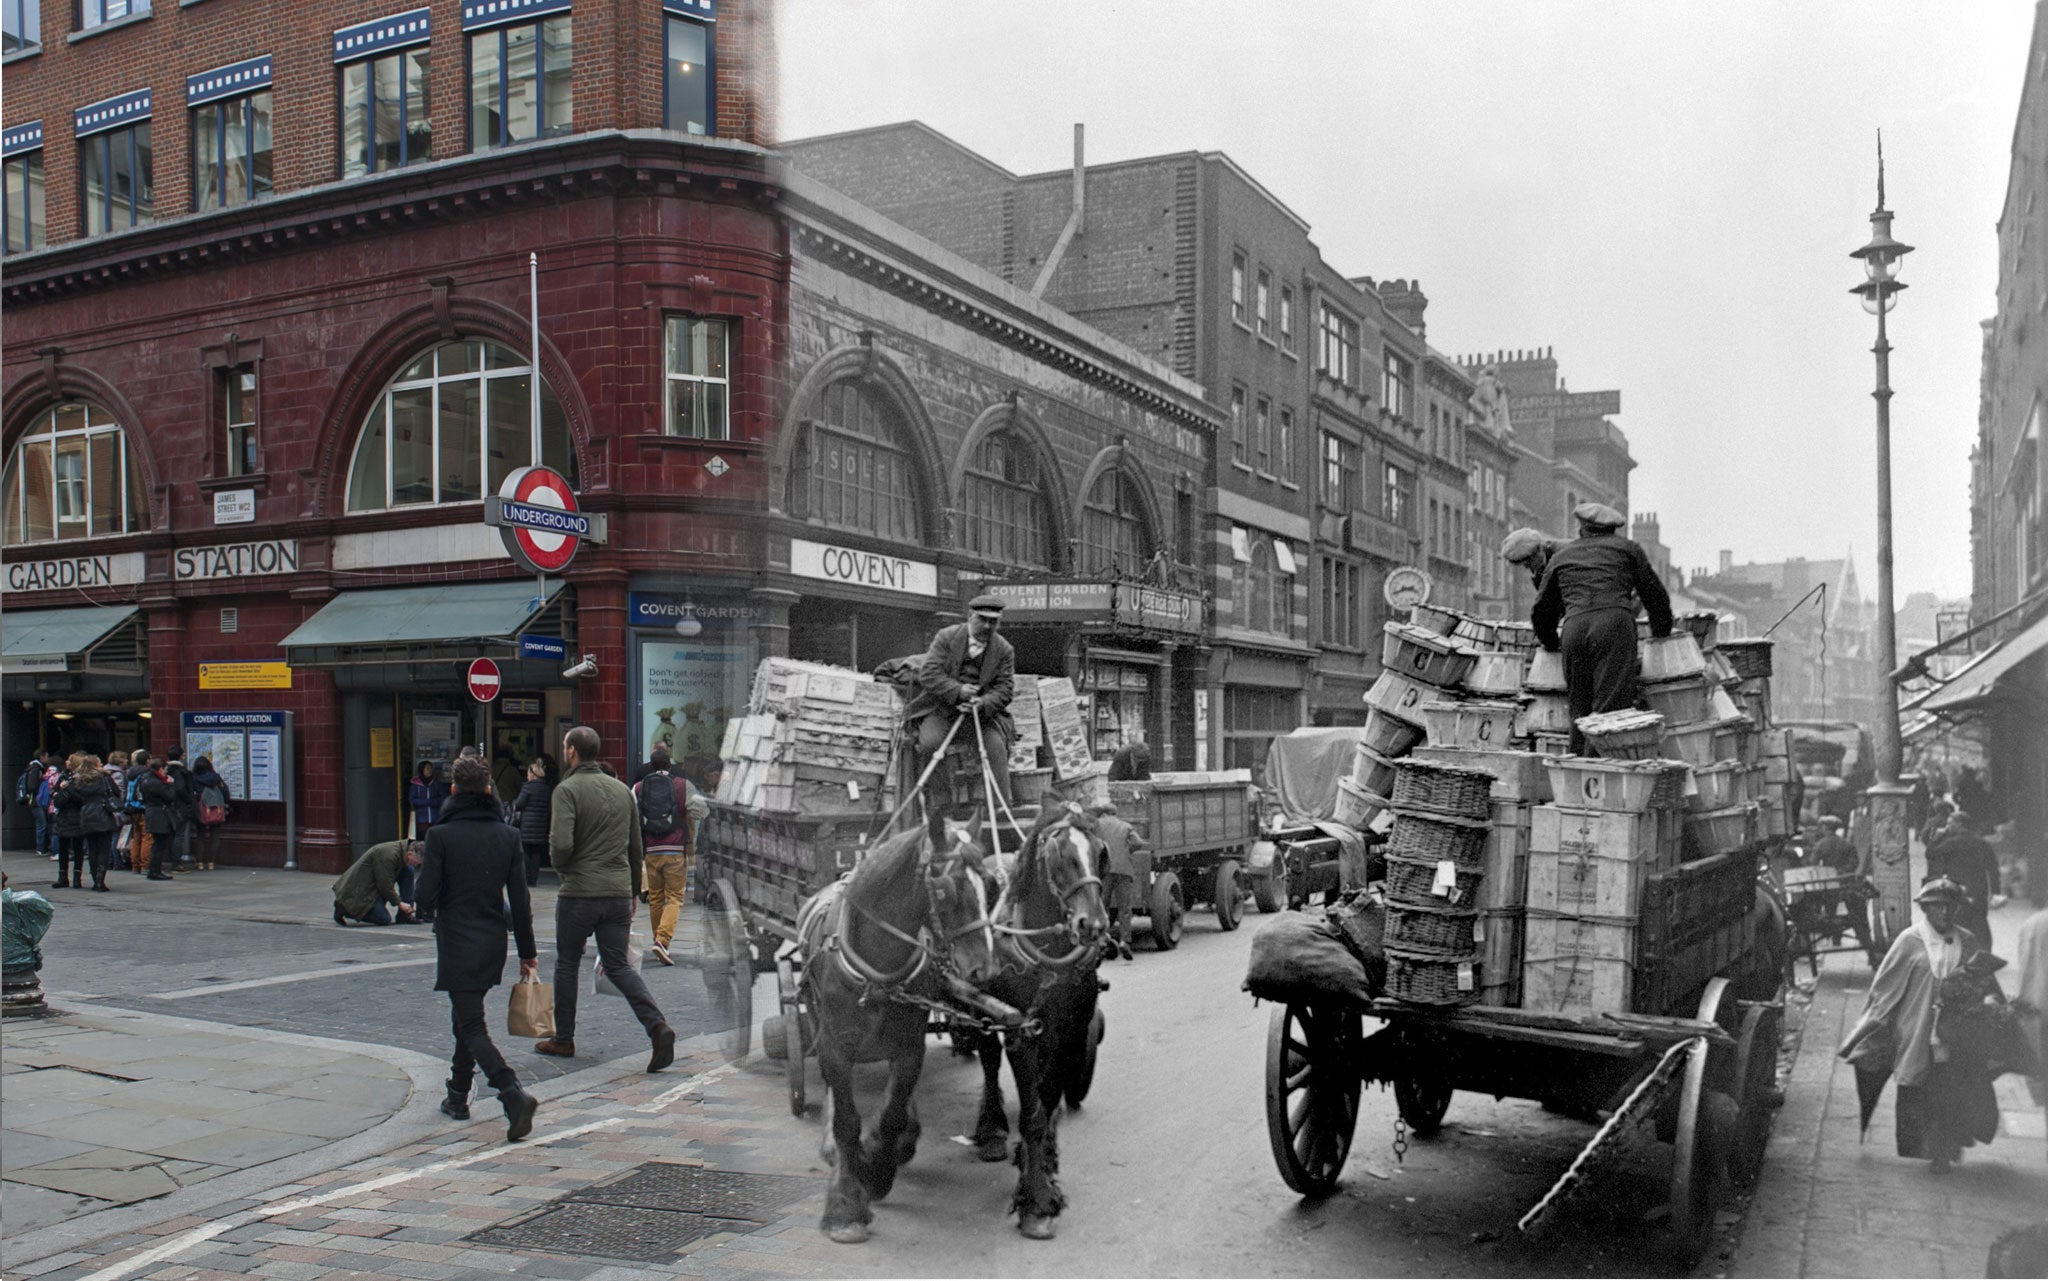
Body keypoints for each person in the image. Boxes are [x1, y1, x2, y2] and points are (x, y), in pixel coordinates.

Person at [533, 725, 675, 1073]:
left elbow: (561, 845)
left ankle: (563, 1038)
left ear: (571, 752)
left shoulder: (567, 790)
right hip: (614, 893)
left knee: (567, 962)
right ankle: (657, 1025)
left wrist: (564, 870)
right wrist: (630, 891)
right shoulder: (621, 791)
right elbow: (635, 846)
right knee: (618, 964)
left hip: (579, 893)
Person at [416, 755, 541, 1141]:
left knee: (471, 1024)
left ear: (453, 790)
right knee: (465, 1017)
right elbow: (520, 902)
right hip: (492, 943)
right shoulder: (507, 836)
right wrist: (528, 952)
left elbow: (423, 898)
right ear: (489, 790)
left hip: (456, 940)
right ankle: (457, 1095)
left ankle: (511, 1092)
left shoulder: (440, 835)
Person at [1840, 877, 2003, 1174]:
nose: (1944, 913)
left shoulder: (1967, 940)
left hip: (1955, 1033)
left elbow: (1985, 981)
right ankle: (1928, 1146)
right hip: (1916, 1030)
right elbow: (1884, 988)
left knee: (1950, 1089)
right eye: (1937, 907)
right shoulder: (1909, 941)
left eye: (1950, 907)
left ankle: (1943, 1150)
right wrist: (1870, 1027)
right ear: (1926, 909)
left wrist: (1991, 1003)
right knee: (1921, 1087)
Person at [1531, 502, 1674, 754]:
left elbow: (1542, 609)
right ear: (1612, 528)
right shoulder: (1628, 550)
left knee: (1579, 708)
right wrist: (1661, 632)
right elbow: (1654, 594)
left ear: (1582, 528)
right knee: (1610, 710)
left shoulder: (1562, 556)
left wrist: (1552, 643)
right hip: (1613, 627)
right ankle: (1603, 776)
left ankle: (1578, 772)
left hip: (1574, 629)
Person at [902, 595, 1019, 817]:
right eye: (981, 619)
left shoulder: (1004, 650)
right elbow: (929, 674)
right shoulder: (946, 637)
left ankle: (1001, 808)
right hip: (944, 710)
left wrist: (982, 703)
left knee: (996, 749)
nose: (986, 626)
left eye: (992, 621)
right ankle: (941, 803)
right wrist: (958, 691)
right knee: (930, 744)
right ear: (969, 617)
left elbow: (1005, 689)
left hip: (981, 717)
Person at [633, 744, 708, 967]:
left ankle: (660, 940)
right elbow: (702, 811)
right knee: (675, 897)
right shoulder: (683, 785)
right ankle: (663, 941)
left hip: (650, 851)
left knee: (655, 897)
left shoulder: (638, 787)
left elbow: (632, 817)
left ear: (650, 764)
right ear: (670, 764)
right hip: (675, 849)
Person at [1927, 813, 2003, 951]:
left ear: (1959, 824)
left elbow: (1930, 853)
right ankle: (1984, 953)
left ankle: (1959, 952)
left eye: (1950, 823)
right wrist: (1996, 891)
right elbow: (1993, 869)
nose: (1947, 827)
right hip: (1979, 888)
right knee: (1980, 921)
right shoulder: (1982, 843)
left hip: (1956, 888)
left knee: (1957, 922)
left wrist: (1937, 836)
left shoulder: (1952, 842)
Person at [1089, 800, 1149, 961]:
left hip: (1105, 871)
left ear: (1104, 813)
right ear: (1115, 813)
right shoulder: (1125, 825)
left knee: (1103, 907)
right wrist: (1127, 851)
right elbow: (1138, 843)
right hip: (1124, 870)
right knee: (1125, 909)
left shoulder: (1096, 825)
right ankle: (1124, 941)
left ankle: (1103, 940)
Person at [53, 754, 120, 892]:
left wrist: (65, 789)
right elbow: (116, 792)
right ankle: (100, 881)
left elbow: (68, 797)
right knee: (103, 848)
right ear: (96, 765)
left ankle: (95, 878)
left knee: (92, 848)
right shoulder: (104, 778)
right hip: (102, 813)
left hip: (86, 814)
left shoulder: (78, 781)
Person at [332, 839, 423, 926]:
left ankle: (405, 915)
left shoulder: (402, 852)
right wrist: (400, 903)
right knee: (384, 919)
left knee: (408, 870)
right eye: (415, 862)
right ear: (410, 853)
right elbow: (385, 886)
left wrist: (407, 906)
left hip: (373, 886)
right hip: (359, 892)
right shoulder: (389, 855)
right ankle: (345, 908)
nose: (415, 865)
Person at [511, 759, 554, 888]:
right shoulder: (546, 788)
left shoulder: (527, 787)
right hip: (541, 824)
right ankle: (533, 879)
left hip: (528, 825)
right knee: (536, 853)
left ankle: (525, 878)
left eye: (528, 773)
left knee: (526, 852)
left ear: (532, 774)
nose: (526, 776)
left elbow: (519, 804)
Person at [138, 756, 179, 881]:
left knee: (157, 843)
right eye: (165, 769)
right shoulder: (156, 782)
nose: (166, 771)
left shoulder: (145, 779)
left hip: (152, 811)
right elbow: (169, 796)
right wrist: (171, 785)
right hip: (158, 814)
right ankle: (155, 871)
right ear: (160, 769)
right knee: (159, 844)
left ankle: (154, 870)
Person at [48, 753, 84, 889]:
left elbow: (81, 799)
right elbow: (54, 793)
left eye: (70, 760)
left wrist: (66, 790)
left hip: (77, 816)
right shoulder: (63, 776)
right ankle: (63, 877)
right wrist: (61, 792)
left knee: (78, 848)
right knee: (63, 848)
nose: (67, 762)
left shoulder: (80, 779)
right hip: (63, 816)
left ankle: (77, 878)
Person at [191, 754, 231, 871]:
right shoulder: (216, 778)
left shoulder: (194, 778)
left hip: (201, 810)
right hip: (216, 809)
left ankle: (200, 863)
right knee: (215, 836)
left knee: (200, 836)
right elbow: (225, 792)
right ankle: (211, 862)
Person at [163, 748, 200, 872]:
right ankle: (176, 862)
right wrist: (190, 800)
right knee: (178, 834)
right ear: (180, 757)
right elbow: (181, 790)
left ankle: (171, 859)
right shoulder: (179, 772)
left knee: (171, 834)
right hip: (179, 807)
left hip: (168, 806)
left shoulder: (166, 770)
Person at [1500, 527, 1565, 591]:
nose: (1526, 567)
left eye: (1528, 564)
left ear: (1539, 550)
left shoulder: (1564, 557)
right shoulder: (1542, 564)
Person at [120, 749, 150, 874]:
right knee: (147, 836)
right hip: (142, 807)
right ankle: (145, 865)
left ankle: (135, 865)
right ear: (147, 760)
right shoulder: (146, 774)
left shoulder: (129, 773)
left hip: (131, 807)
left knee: (136, 836)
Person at [410, 761, 447, 839]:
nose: (430, 770)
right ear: (422, 770)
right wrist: (429, 802)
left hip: (435, 818)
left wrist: (430, 802)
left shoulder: (437, 783)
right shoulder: (415, 784)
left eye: (431, 768)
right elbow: (413, 800)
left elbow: (443, 798)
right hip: (422, 819)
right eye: (427, 768)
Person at [492, 748, 526, 814]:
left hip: (494, 802)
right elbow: (520, 787)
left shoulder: (492, 769)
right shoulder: (512, 770)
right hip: (508, 804)